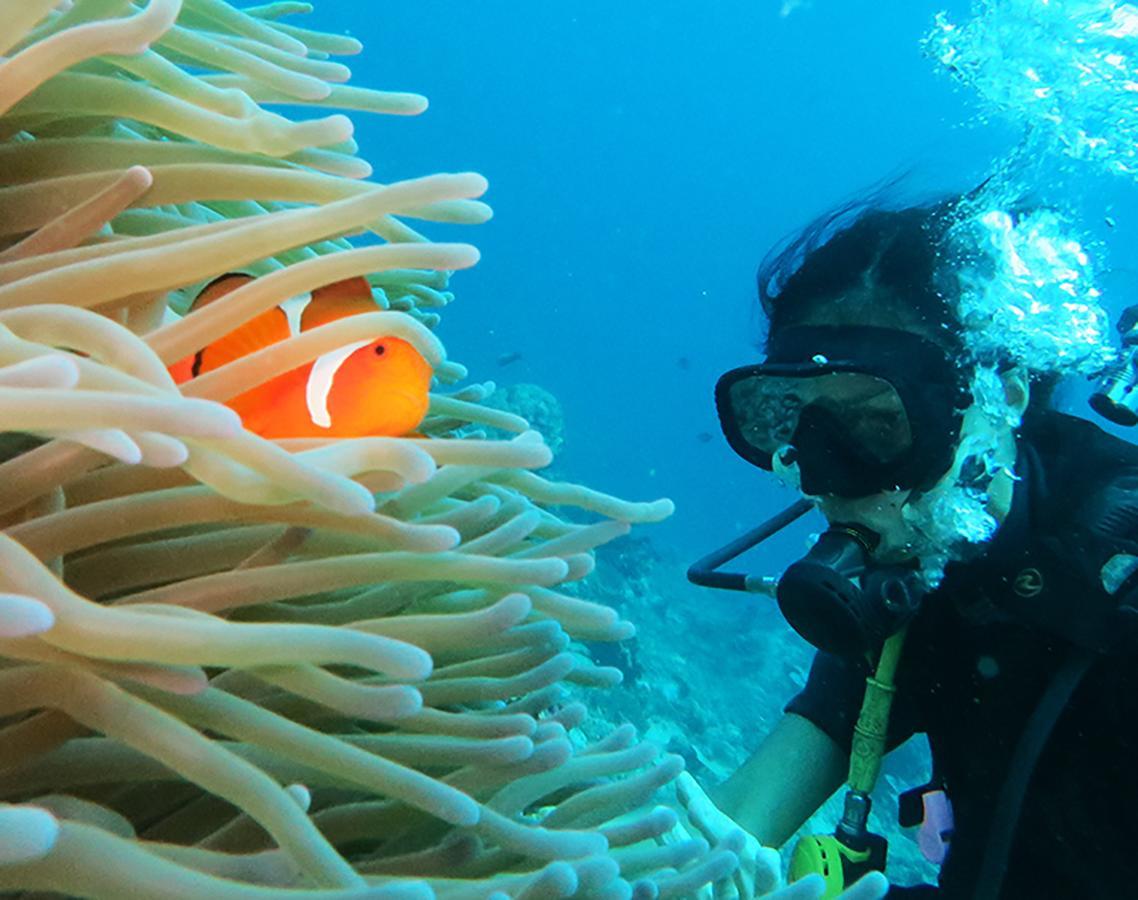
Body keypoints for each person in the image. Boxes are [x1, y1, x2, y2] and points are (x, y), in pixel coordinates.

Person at [679, 195, 1138, 898]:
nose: (829, 478)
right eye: (794, 425)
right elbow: (731, 832)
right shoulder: (911, 583)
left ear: (1001, 398)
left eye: (876, 427)